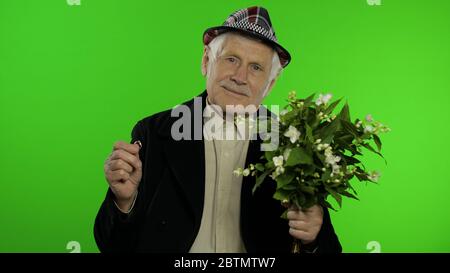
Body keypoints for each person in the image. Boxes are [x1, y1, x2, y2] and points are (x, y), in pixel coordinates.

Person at [94, 6, 342, 253]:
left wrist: (314, 237)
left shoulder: (294, 144)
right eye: (231, 59)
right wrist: (124, 201)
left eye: (256, 67)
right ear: (206, 61)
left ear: (271, 83)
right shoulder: (152, 133)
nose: (240, 76)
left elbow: (329, 249)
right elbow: (113, 246)